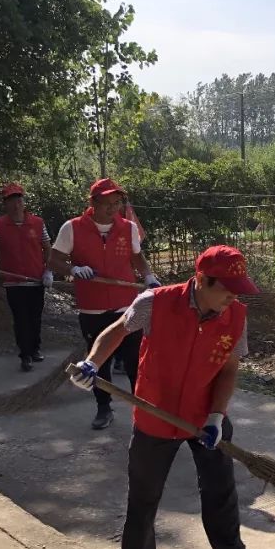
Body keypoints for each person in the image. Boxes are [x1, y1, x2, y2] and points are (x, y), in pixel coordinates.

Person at [69, 245, 272, 549]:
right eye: (227, 289)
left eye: (239, 290)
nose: (233, 298)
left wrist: (217, 416)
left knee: (221, 493)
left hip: (206, 418)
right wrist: (93, 363)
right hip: (155, 413)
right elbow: (117, 330)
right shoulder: (155, 302)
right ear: (202, 280)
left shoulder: (236, 315)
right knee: (145, 492)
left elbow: (228, 369)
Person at [50, 178, 159, 429]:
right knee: (98, 362)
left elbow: (137, 257)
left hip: (127, 307)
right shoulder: (72, 228)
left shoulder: (128, 227)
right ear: (93, 203)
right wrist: (74, 268)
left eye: (117, 203)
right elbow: (54, 260)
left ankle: (141, 412)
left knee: (135, 361)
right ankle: (103, 408)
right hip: (92, 306)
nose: (113, 208)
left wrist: (149, 276)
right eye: (107, 203)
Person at [0, 183, 54, 371]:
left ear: (23, 202)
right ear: (6, 204)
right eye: (12, 201)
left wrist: (49, 270)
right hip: (13, 281)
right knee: (20, 318)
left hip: (36, 280)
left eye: (19, 200)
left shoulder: (37, 223)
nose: (16, 205)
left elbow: (48, 248)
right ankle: (25, 354)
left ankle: (35, 349)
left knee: (35, 317)